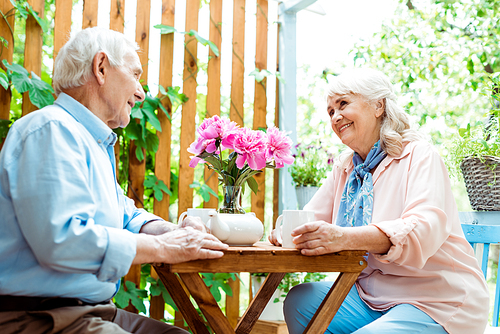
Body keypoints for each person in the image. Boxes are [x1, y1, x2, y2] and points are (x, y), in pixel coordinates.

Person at [0, 27, 228, 334]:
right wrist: (162, 246)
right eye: (135, 74)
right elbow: (63, 241)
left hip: (91, 313)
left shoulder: (89, 141)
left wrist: (174, 230)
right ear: (101, 67)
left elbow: (127, 214)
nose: (141, 92)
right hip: (38, 317)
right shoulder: (51, 130)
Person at [269, 68, 489, 334]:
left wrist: (344, 237)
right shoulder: (347, 167)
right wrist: (285, 233)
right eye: (330, 112)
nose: (336, 116)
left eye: (343, 104)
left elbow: (422, 229)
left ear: (378, 105)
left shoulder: (419, 155)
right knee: (301, 301)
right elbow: (309, 218)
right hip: (369, 297)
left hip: (434, 298)